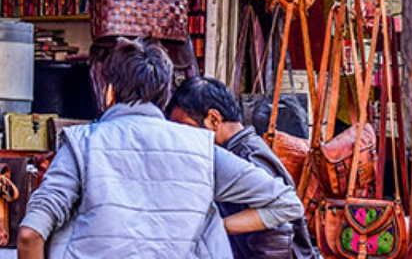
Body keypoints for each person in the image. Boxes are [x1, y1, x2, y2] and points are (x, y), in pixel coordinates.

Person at [17, 37, 304, 259]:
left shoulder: (81, 144)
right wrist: (214, 228)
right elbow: (286, 203)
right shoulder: (202, 150)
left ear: (109, 92)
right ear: (164, 95)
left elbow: (30, 235)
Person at [167, 76, 316, 259]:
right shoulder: (242, 150)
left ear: (214, 119)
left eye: (186, 128)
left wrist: (215, 228)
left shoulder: (247, 156)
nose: (183, 138)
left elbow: (278, 234)